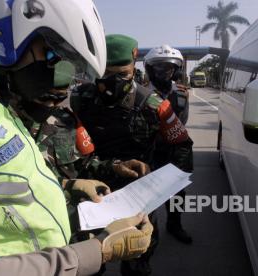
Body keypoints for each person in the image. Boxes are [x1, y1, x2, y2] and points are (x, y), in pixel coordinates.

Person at [0, 0, 152, 275]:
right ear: (2, 30)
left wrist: (69, 185)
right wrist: (99, 250)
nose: (58, 75)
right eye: (51, 55)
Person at [71, 34, 194, 276]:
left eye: (122, 75)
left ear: (134, 64)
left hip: (137, 195)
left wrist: (167, 184)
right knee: (89, 264)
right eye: (105, 75)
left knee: (138, 258)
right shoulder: (80, 99)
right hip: (92, 192)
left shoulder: (155, 105)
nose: (112, 83)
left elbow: (182, 144)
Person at [18, 61, 150, 241]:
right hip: (31, 232)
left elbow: (86, 163)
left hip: (77, 229)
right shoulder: (3, 123)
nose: (50, 105)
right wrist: (67, 186)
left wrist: (115, 166)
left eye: (58, 98)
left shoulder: (65, 119)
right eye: (44, 97)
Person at [144, 45, 193, 244]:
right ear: (150, 69)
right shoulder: (141, 94)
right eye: (160, 68)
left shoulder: (181, 94)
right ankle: (149, 231)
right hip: (150, 152)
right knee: (149, 197)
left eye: (170, 68)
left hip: (173, 152)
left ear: (176, 70)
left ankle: (174, 225)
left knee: (177, 194)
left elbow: (183, 122)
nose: (165, 72)